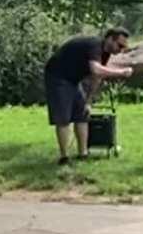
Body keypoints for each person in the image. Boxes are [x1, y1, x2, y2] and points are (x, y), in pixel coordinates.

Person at [45, 28, 132, 164]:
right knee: (63, 118)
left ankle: (83, 154)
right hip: (58, 76)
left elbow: (97, 77)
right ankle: (64, 157)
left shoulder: (105, 53)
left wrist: (88, 101)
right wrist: (120, 73)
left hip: (74, 79)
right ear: (110, 39)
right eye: (119, 46)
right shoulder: (94, 45)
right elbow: (95, 69)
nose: (120, 50)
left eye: (123, 47)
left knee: (82, 115)